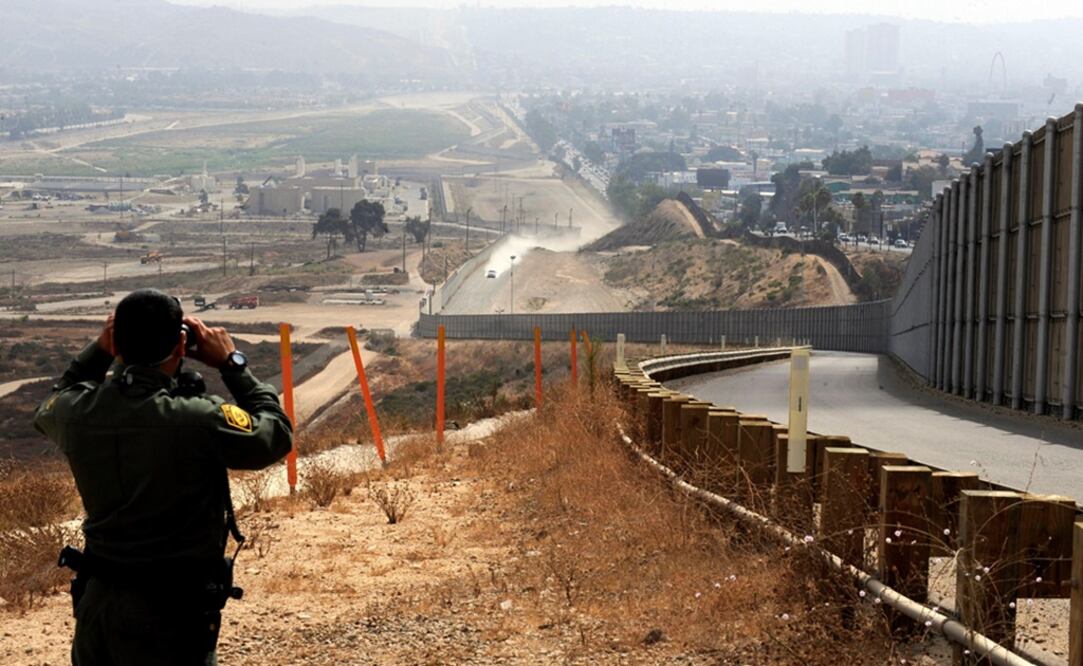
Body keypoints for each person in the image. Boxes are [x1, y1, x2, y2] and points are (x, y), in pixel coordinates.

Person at [34, 289, 293, 665]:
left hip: (98, 607)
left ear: (116, 342)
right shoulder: (198, 417)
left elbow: (55, 399)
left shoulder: (77, 413)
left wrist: (99, 351)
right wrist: (233, 364)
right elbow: (275, 436)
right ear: (180, 345)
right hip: (171, 613)